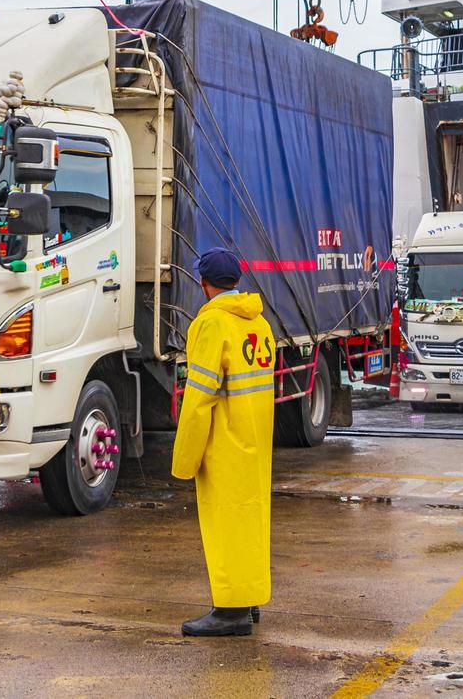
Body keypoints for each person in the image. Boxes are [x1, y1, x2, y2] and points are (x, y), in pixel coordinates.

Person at [172, 247, 277, 637]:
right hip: (254, 437)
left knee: (226, 524)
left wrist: (185, 458)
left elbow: (199, 398)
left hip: (224, 443)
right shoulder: (259, 325)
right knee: (250, 520)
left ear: (204, 284)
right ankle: (247, 600)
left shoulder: (212, 325)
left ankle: (230, 611)